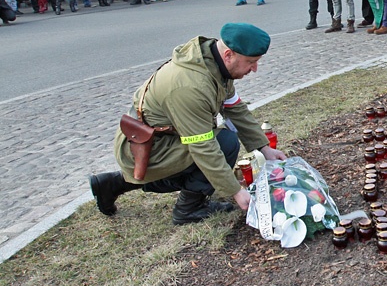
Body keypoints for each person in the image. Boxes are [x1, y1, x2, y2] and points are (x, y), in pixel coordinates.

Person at [89, 23, 287, 224]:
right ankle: (188, 209)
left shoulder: (215, 65)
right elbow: (203, 147)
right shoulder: (191, 87)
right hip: (147, 148)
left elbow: (235, 108)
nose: (254, 69)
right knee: (224, 143)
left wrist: (263, 147)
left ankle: (112, 184)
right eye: (251, 62)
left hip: (161, 141)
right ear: (228, 55)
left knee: (220, 144)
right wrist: (236, 191)